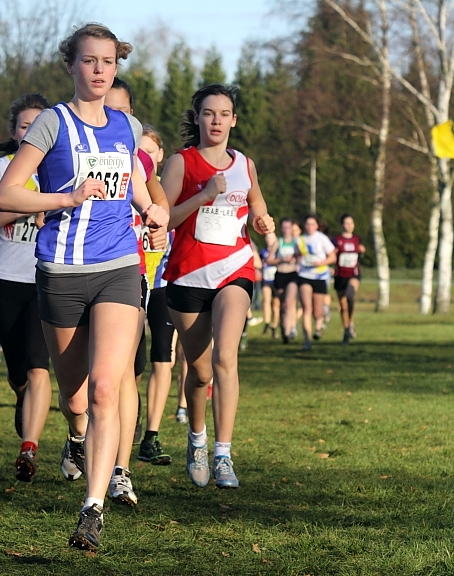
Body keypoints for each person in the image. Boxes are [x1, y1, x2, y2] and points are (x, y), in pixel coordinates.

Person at [0, 23, 168, 551]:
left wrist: (152, 209)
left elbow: (134, 184)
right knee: (74, 401)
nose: (99, 70)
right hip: (61, 273)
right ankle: (75, 438)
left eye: (109, 62)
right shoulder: (51, 124)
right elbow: (8, 194)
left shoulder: (127, 126)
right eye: (90, 61)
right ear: (72, 65)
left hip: (118, 266)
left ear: (117, 66)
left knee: (106, 389)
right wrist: (66, 198)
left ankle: (92, 508)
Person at [160, 83, 274, 490]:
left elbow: (256, 202)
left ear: (233, 120)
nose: (216, 121)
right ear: (197, 118)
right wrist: (204, 195)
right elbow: (164, 220)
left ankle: (223, 453)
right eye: (208, 113)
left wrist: (263, 221)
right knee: (202, 372)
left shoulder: (245, 163)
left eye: (224, 114)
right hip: (189, 275)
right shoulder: (181, 163)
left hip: (236, 270)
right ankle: (197, 440)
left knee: (226, 356)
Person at [0, 92, 53, 482]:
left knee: (38, 366)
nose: (30, 130)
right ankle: (20, 397)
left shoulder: (62, 168)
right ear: (14, 131)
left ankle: (29, 448)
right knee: (17, 369)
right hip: (5, 279)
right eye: (24, 125)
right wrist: (21, 206)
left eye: (37, 124)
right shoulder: (1, 170)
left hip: (48, 278)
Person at [102, 78, 169, 507]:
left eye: (122, 110)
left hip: (127, 274)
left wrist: (157, 218)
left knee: (122, 373)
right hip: (74, 269)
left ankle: (119, 470)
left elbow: (157, 198)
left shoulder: (137, 156)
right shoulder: (68, 141)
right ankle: (77, 433)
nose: (112, 116)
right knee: (81, 390)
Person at [136, 125, 179, 467]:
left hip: (162, 282)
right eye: (140, 151)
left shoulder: (167, 190)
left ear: (160, 156)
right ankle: (125, 419)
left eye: (151, 152)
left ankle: (151, 435)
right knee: (131, 364)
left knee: (163, 356)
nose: (145, 158)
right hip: (131, 280)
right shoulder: (126, 183)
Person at [296, 214, 336, 350]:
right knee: (306, 308)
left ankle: (318, 327)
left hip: (319, 276)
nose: (310, 227)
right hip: (304, 276)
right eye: (307, 224)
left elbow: (333, 257)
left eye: (312, 224)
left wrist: (321, 263)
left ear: (317, 226)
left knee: (317, 312)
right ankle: (307, 340)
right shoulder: (300, 240)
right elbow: (297, 256)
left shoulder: (322, 239)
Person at [333, 214, 365, 344]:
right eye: (346, 223)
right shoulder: (336, 239)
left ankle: (350, 322)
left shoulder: (357, 239)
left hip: (354, 273)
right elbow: (331, 254)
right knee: (343, 305)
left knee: (350, 296)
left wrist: (362, 251)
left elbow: (361, 251)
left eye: (351, 223)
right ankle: (346, 329)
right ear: (342, 225)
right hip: (340, 275)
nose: (349, 226)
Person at [267, 218, 299, 342]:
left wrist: (295, 258)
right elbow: (269, 260)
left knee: (288, 304)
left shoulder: (297, 242)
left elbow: (303, 256)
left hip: (293, 275)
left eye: (288, 227)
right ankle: (283, 326)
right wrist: (281, 260)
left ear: (292, 228)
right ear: (281, 228)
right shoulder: (278, 242)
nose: (286, 230)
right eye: (284, 227)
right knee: (282, 306)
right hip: (280, 274)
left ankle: (288, 331)